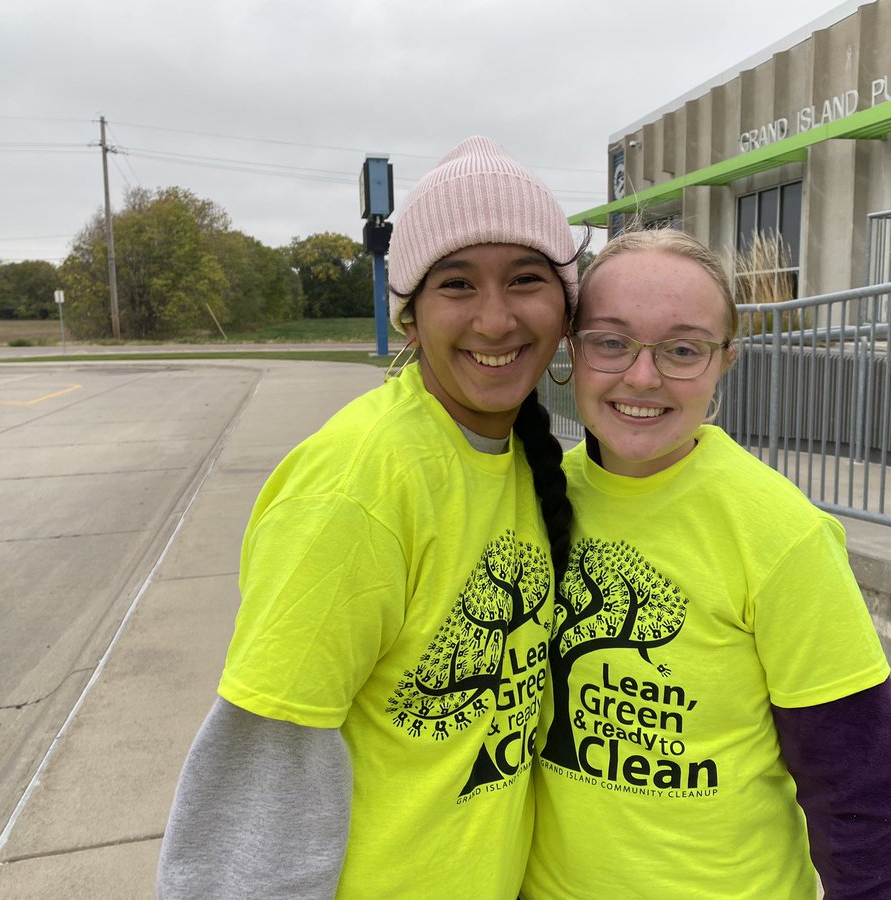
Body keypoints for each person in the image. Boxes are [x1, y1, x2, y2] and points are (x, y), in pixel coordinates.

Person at [158, 135, 581, 899]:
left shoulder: (521, 457)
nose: (495, 319)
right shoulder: (358, 487)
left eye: (525, 280)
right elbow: (255, 802)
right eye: (456, 284)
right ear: (411, 316)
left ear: (565, 307)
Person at [523, 229, 891, 898]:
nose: (642, 376)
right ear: (572, 350)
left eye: (681, 350)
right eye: (611, 342)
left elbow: (856, 785)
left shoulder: (780, 533)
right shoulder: (531, 498)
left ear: (723, 362)